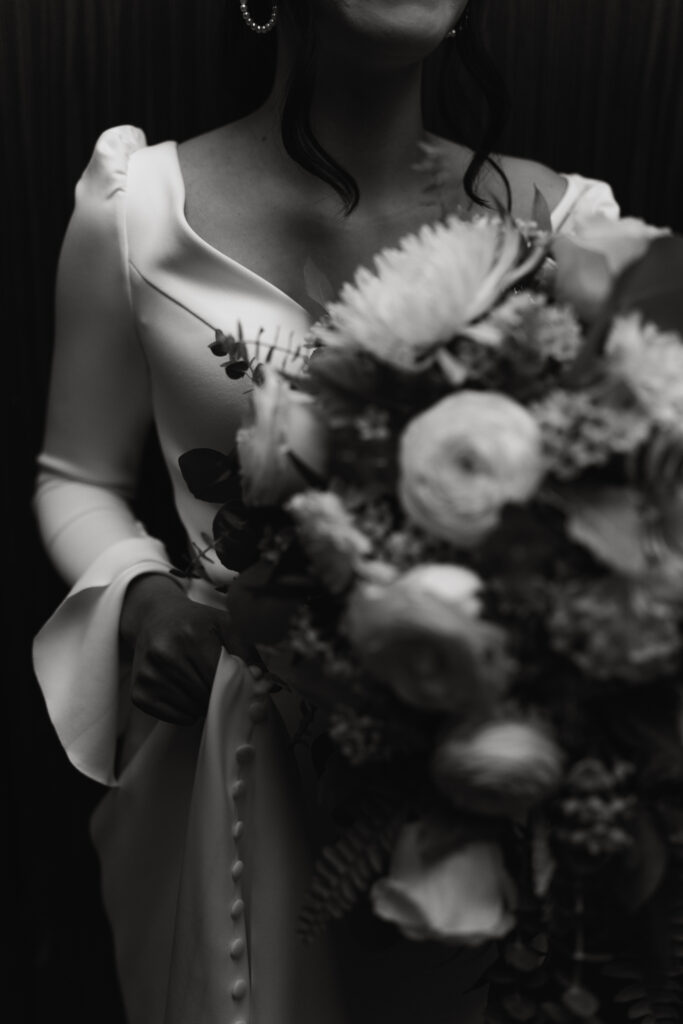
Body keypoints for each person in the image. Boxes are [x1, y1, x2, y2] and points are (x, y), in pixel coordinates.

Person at [32, 1, 622, 1022]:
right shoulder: (136, 203)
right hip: (234, 753)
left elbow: (620, 507)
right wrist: (136, 593)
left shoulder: (569, 230)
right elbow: (72, 474)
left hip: (479, 760)